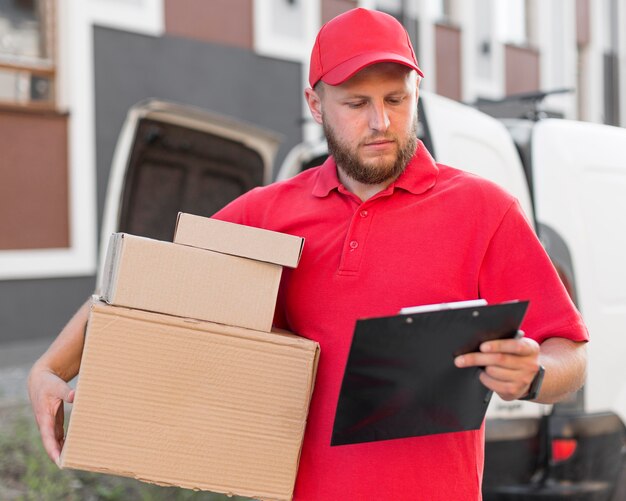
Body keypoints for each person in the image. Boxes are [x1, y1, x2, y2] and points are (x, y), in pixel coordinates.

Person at [29, 7, 588, 500]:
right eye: (356, 103)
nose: (380, 122)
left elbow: (571, 352)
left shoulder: (483, 210)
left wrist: (535, 373)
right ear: (316, 105)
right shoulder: (266, 213)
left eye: (397, 100)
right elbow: (145, 285)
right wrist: (51, 367)